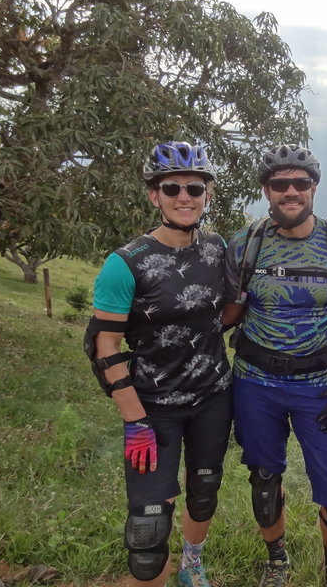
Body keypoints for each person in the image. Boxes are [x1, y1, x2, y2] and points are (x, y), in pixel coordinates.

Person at [222, 144, 327, 587]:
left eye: (301, 183)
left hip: (317, 387)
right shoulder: (247, 243)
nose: (290, 191)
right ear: (266, 191)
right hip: (254, 383)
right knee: (263, 478)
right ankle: (276, 562)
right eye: (280, 184)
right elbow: (225, 314)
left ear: (315, 188)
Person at [84, 142, 232, 587]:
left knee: (203, 493)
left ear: (207, 194)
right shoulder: (126, 263)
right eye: (172, 188)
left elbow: (224, 312)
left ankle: (192, 565)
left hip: (212, 399)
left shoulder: (217, 248)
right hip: (153, 409)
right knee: (147, 534)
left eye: (194, 187)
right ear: (155, 195)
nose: (184, 196)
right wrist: (134, 419)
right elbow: (104, 342)